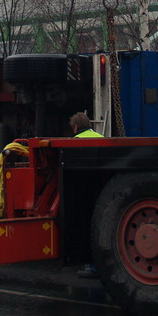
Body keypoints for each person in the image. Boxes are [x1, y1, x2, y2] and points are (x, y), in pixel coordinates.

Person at [68, 112, 102, 278]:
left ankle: (91, 266)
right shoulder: (101, 137)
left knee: (87, 229)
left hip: (83, 192)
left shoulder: (74, 143)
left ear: (75, 127)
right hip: (101, 190)